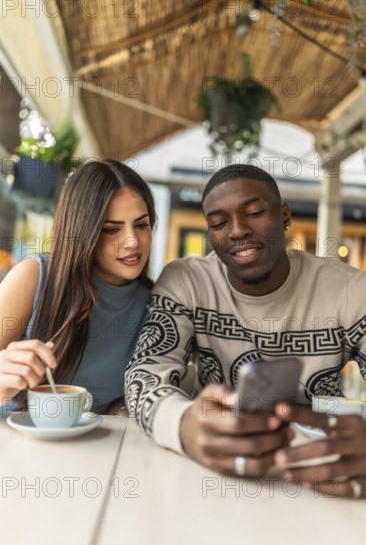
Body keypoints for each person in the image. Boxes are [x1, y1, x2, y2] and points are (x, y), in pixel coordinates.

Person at [125, 163, 366, 499]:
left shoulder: (351, 290)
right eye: (219, 223)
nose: (237, 231)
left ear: (285, 216)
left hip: (319, 476)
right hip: (208, 475)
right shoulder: (187, 280)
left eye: (253, 213)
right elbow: (146, 372)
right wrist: (181, 425)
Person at [0, 159, 156, 414]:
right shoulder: (34, 275)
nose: (132, 242)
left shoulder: (155, 303)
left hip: (100, 450)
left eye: (141, 224)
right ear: (83, 232)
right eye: (111, 230)